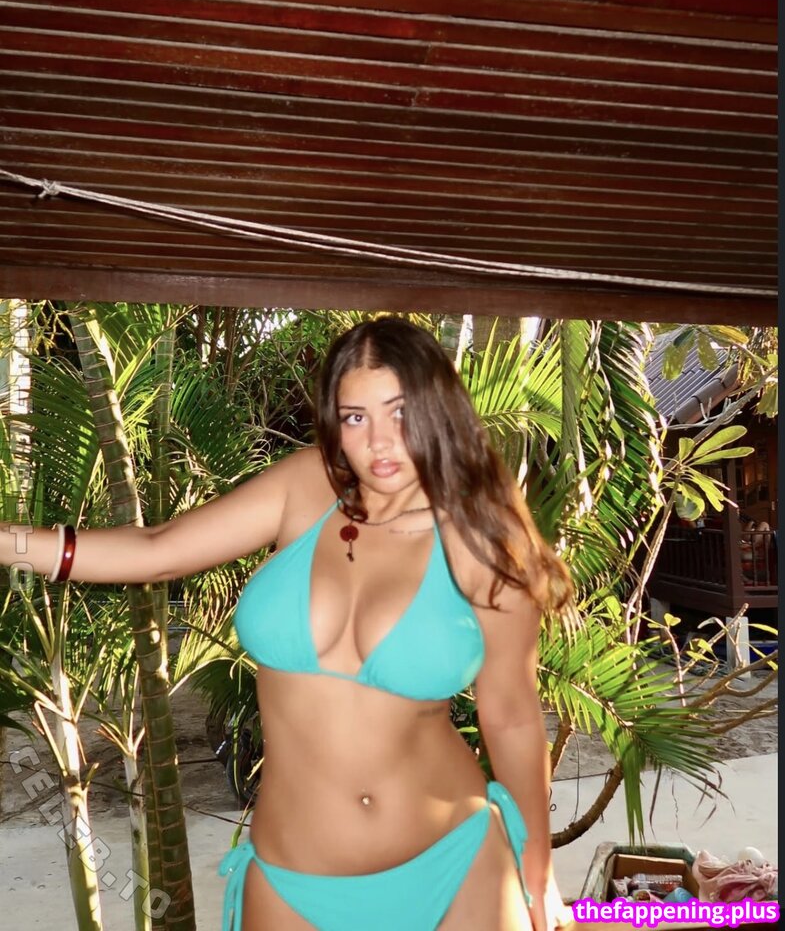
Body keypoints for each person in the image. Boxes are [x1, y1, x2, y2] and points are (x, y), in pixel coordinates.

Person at [1, 316, 575, 930]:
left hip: (455, 867)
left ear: (439, 408)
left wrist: (538, 868)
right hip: (292, 880)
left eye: (400, 412)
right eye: (355, 418)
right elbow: (156, 549)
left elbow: (511, 716)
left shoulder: (486, 540)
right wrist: (9, 542)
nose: (379, 442)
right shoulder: (305, 487)